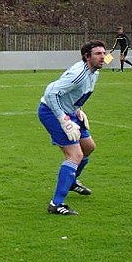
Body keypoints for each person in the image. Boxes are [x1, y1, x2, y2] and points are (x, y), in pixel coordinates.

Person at [38, 40, 106, 215]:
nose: (103, 57)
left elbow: (76, 95)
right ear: (86, 57)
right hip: (51, 112)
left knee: (89, 147)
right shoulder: (79, 74)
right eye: (98, 54)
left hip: (71, 112)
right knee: (75, 155)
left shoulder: (94, 73)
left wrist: (79, 110)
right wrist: (63, 119)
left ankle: (72, 181)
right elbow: (51, 92)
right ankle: (56, 204)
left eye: (103, 53)